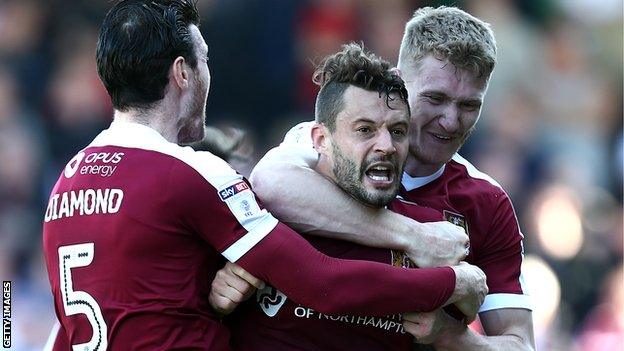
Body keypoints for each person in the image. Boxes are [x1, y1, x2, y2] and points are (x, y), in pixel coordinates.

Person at [41, 1, 486, 350]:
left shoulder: (65, 185)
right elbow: (323, 282)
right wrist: (452, 280)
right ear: (182, 73)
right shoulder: (190, 173)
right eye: (205, 60)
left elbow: (64, 329)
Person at [211, 6, 535, 351]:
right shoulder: (331, 146)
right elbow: (272, 184)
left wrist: (454, 337)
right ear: (398, 82)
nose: (451, 121)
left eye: (469, 106)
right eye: (435, 99)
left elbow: (521, 344)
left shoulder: (487, 202)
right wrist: (417, 240)